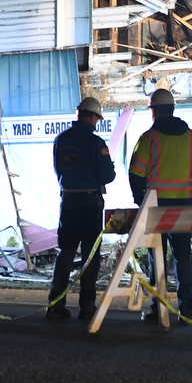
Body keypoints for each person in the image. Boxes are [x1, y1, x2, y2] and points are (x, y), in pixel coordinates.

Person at [128, 88, 192, 320]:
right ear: (172, 110)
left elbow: (135, 174)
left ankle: (157, 307)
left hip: (156, 208)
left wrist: (139, 199)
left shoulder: (149, 139)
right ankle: (186, 309)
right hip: (184, 207)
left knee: (157, 256)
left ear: (154, 112)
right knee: (183, 256)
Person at [46, 97, 116, 321]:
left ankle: (55, 305)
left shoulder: (61, 139)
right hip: (89, 203)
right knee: (90, 254)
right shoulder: (96, 143)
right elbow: (108, 175)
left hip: (68, 201)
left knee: (65, 253)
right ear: (93, 117)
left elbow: (58, 169)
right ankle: (87, 306)